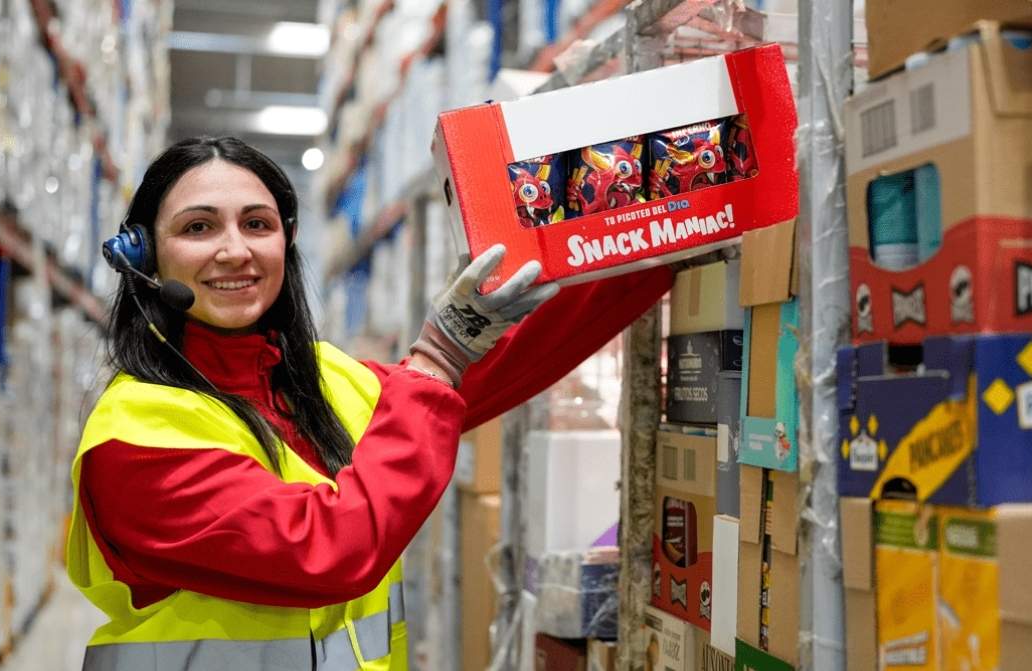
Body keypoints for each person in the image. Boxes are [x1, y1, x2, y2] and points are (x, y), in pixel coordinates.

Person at [66, 136, 671, 670]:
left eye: (257, 224)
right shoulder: (137, 438)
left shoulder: (318, 378)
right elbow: (324, 551)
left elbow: (486, 372)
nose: (235, 252)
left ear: (287, 240)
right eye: (198, 228)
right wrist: (437, 355)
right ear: (143, 256)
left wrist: (662, 240)